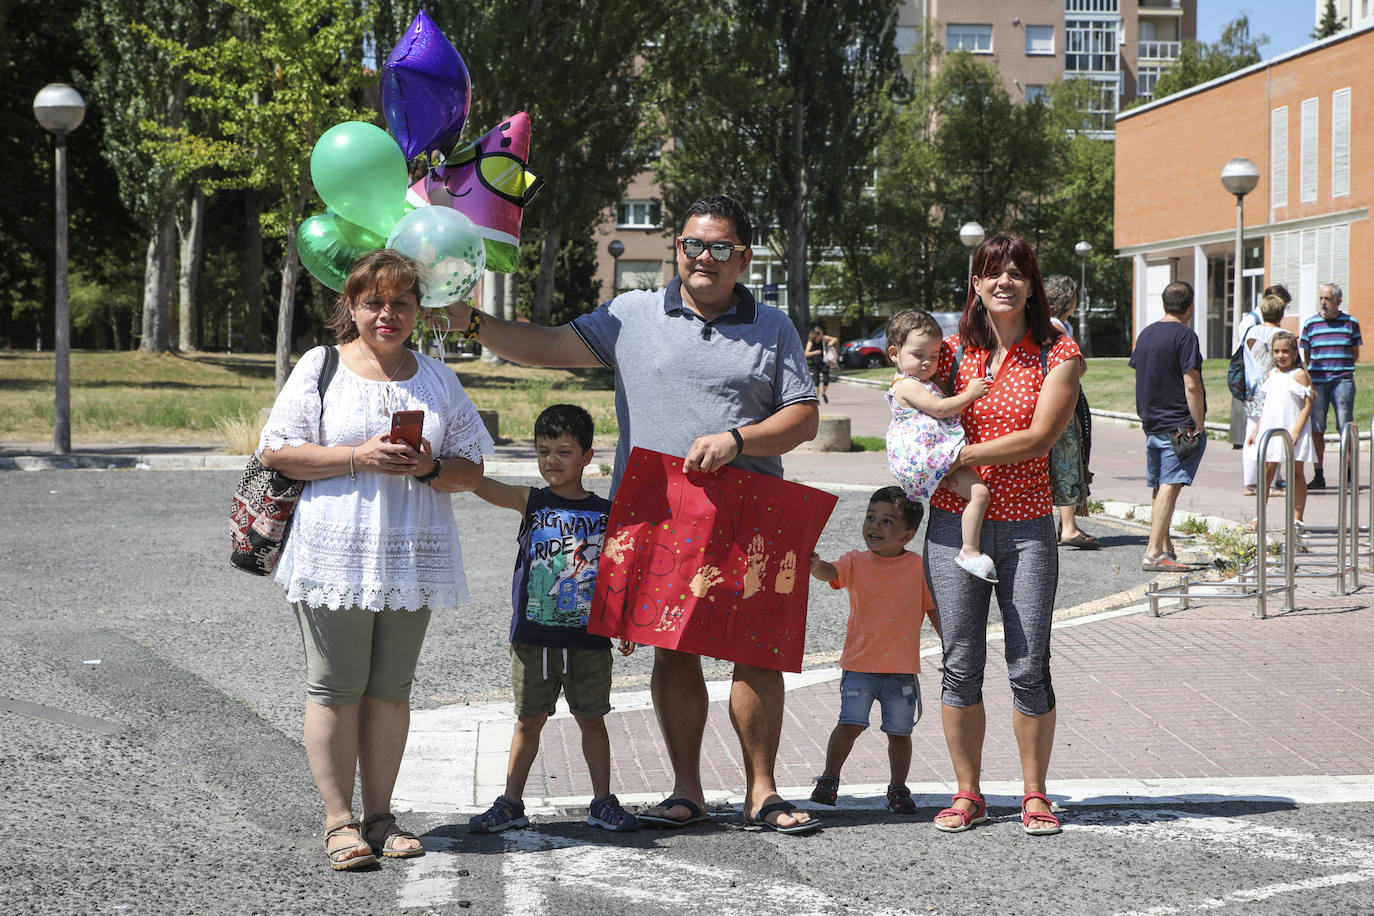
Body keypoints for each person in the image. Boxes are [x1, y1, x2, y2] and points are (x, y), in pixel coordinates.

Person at [438, 194, 821, 834]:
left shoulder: (773, 325)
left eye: (720, 247)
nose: (704, 258)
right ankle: (687, 790)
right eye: (693, 244)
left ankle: (763, 791)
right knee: (673, 653)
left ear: (744, 257)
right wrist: (473, 322)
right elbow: (547, 345)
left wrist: (739, 440)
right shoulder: (632, 313)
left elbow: (803, 416)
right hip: (658, 512)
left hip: (751, 514)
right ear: (678, 249)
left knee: (755, 656)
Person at [258, 250, 492, 870]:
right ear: (352, 307)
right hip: (334, 551)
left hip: (410, 555)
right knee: (335, 688)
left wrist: (431, 466)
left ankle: (381, 815)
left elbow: (472, 469)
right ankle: (340, 822)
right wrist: (359, 456)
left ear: (420, 310)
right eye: (374, 302)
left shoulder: (439, 379)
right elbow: (279, 451)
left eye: (401, 303)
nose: (387, 314)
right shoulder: (321, 366)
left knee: (390, 691)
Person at [924, 234, 1083, 838]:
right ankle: (968, 793)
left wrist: (958, 449)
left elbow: (1041, 437)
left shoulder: (1057, 351)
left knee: (1028, 664)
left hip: (1025, 527)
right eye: (992, 273)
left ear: (1033, 284)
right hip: (950, 520)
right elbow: (908, 395)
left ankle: (1035, 793)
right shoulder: (953, 351)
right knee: (959, 661)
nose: (1004, 283)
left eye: (1016, 273)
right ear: (975, 284)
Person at [468, 404, 639, 834]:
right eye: (544, 451)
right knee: (529, 720)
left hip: (590, 640)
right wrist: (441, 465)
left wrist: (626, 622)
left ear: (588, 456)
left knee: (592, 719)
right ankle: (511, 802)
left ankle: (602, 800)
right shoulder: (533, 501)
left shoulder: (608, 511)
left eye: (564, 451)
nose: (552, 461)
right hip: (533, 638)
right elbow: (485, 487)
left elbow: (622, 573)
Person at [807, 487, 938, 815]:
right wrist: (816, 564)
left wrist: (952, 644)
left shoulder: (920, 569)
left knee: (900, 733)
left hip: (902, 669)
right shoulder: (855, 561)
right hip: (860, 666)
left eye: (886, 521)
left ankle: (897, 788)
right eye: (870, 517)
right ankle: (829, 779)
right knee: (850, 724)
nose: (874, 526)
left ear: (907, 535)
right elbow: (831, 574)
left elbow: (934, 609)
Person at [883, 308, 994, 580]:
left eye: (933, 356)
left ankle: (970, 549)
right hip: (929, 458)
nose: (927, 362)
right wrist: (971, 393)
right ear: (894, 354)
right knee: (979, 494)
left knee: (979, 494)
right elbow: (941, 409)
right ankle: (969, 550)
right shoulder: (906, 386)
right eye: (918, 355)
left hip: (935, 457)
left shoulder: (922, 382)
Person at [1129, 280, 1206, 573]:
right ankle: (1153, 553)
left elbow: (1140, 376)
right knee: (1170, 487)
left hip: (1152, 423)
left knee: (1161, 487)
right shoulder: (1186, 337)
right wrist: (1198, 423)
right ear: (1189, 307)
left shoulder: (1146, 334)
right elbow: (1191, 384)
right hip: (1179, 425)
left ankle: (1164, 545)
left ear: (1164, 303)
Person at [1043, 275, 1101, 550]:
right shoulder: (1056, 327)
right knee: (1067, 455)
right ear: (1069, 298)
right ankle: (1068, 527)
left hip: (1066, 395)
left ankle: (1066, 524)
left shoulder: (1060, 325)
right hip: (1063, 399)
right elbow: (1077, 366)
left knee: (1068, 455)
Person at [1248, 331, 1315, 524]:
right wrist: (1256, 430)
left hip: (1292, 427)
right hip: (1272, 428)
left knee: (1296, 472)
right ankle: (1259, 517)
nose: (1280, 355)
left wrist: (1296, 431)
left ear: (1294, 353)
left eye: (1285, 351)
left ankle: (1296, 519)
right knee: (1267, 471)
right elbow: (1267, 406)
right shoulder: (1272, 374)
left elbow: (1307, 405)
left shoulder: (1299, 375)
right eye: (1276, 351)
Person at [1300, 282, 1361, 489]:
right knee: (1317, 429)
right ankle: (1319, 475)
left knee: (1345, 426)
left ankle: (1349, 475)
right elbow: (1307, 356)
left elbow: (1355, 353)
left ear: (1338, 301)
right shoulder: (1311, 324)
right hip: (1318, 382)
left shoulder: (1351, 323)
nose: (1323, 303)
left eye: (1327, 298)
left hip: (1342, 380)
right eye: (1321, 298)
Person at [1240, 293, 1287, 496]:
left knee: (1252, 434)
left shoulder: (1250, 333)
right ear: (1281, 313)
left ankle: (1250, 482)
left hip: (1252, 390)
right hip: (1275, 390)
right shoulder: (1283, 334)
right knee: (1274, 435)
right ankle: (1272, 481)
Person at [804, 325, 839, 403]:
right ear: (816, 335)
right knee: (816, 381)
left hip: (825, 362)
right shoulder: (811, 342)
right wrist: (815, 352)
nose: (822, 335)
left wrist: (831, 343)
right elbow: (806, 354)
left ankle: (823, 393)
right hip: (815, 363)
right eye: (820, 334)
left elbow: (835, 339)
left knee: (826, 380)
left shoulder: (824, 338)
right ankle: (817, 398)